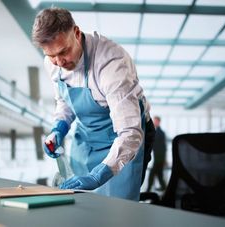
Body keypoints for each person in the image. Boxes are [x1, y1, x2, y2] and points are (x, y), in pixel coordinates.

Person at [32, 7, 154, 201]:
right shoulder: (53, 63)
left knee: (118, 210)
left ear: (77, 33)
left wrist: (99, 175)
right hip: (87, 138)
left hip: (124, 138)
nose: (59, 62)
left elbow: (130, 132)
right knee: (80, 203)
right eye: (51, 56)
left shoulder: (111, 63)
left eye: (63, 52)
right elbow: (64, 100)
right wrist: (59, 129)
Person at [146, 116, 167, 192]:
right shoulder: (155, 131)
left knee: (152, 173)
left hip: (159, 157)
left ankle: (148, 189)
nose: (154, 122)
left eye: (155, 121)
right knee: (159, 174)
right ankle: (164, 187)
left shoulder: (160, 132)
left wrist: (164, 159)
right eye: (154, 121)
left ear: (158, 122)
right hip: (158, 156)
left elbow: (163, 147)